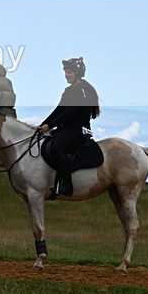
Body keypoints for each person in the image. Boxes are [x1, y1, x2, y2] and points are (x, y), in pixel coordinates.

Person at [38, 57, 101, 197]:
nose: (66, 75)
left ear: (77, 73)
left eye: (69, 72)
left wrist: (50, 125)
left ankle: (67, 185)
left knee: (57, 148)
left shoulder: (84, 91)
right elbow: (58, 110)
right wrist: (44, 124)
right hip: (67, 129)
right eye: (66, 72)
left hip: (79, 129)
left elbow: (70, 113)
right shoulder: (68, 91)